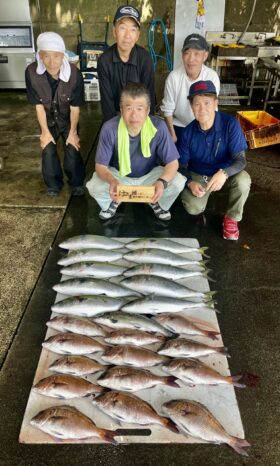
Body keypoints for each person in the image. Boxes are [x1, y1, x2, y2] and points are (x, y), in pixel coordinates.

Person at [86, 82, 186, 221]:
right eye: (129, 108)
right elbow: (100, 166)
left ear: (147, 110)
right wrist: (113, 181)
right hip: (119, 176)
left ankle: (156, 201)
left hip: (149, 176)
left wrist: (161, 182)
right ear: (121, 109)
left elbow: (173, 163)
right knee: (94, 185)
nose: (134, 115)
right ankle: (113, 201)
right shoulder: (109, 128)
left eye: (139, 108)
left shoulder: (159, 126)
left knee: (178, 182)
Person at [177, 80, 251, 240]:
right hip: (199, 174)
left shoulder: (230, 124)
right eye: (197, 104)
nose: (202, 108)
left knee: (243, 180)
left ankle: (231, 218)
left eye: (207, 102)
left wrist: (224, 173)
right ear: (191, 107)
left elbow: (240, 160)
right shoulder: (187, 133)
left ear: (215, 103)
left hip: (226, 172)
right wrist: (190, 182)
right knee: (193, 207)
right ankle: (201, 208)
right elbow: (181, 166)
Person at [25, 31, 85, 196]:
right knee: (48, 149)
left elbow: (75, 108)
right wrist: (44, 132)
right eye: (46, 56)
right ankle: (53, 185)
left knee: (72, 148)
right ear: (40, 56)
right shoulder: (31, 73)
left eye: (56, 56)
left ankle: (76, 183)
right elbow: (38, 105)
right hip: (48, 119)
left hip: (67, 119)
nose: (52, 62)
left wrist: (73, 132)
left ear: (63, 56)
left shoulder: (74, 75)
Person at [97, 5, 156, 122]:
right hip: (114, 115)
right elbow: (107, 102)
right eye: (123, 28)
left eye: (133, 29)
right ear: (114, 31)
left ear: (138, 35)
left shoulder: (145, 59)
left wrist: (146, 125)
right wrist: (113, 130)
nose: (127, 35)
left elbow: (149, 99)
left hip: (139, 116)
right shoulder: (104, 61)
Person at [161, 33, 220, 145]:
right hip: (180, 126)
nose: (191, 59)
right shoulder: (174, 77)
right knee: (179, 159)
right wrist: (172, 136)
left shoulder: (212, 77)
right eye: (187, 53)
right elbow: (167, 110)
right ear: (182, 55)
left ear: (205, 56)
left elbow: (212, 109)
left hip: (204, 126)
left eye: (197, 54)